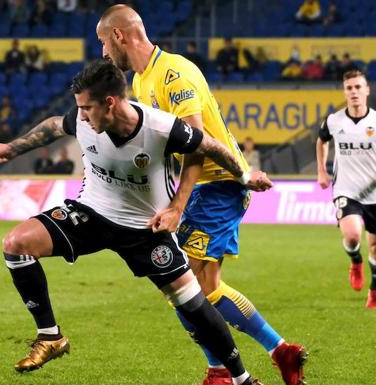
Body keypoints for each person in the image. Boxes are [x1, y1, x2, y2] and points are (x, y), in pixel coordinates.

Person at [0, 59, 268, 385]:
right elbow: (54, 126)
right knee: (16, 245)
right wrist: (10, 149)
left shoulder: (160, 128)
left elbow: (208, 146)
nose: (82, 116)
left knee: (192, 302)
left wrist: (243, 175)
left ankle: (242, 379)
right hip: (91, 214)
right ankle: (50, 336)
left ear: (110, 103)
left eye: (87, 108)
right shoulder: (83, 120)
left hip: (145, 229)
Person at [96, 5, 306, 385]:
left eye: (102, 44)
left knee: (185, 282)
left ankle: (221, 372)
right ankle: (281, 352)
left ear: (118, 36)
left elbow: (196, 144)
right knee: (203, 287)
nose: (103, 55)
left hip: (219, 186)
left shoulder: (174, 74)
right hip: (203, 190)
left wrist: (178, 205)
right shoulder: (143, 82)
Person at [316, 69, 376, 309]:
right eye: (349, 88)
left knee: (375, 246)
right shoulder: (333, 121)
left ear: (367, 90)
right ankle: (355, 261)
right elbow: (321, 141)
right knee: (351, 235)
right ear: (345, 92)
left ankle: (373, 289)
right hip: (346, 190)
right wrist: (321, 169)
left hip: (374, 193)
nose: (354, 92)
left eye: (358, 87)